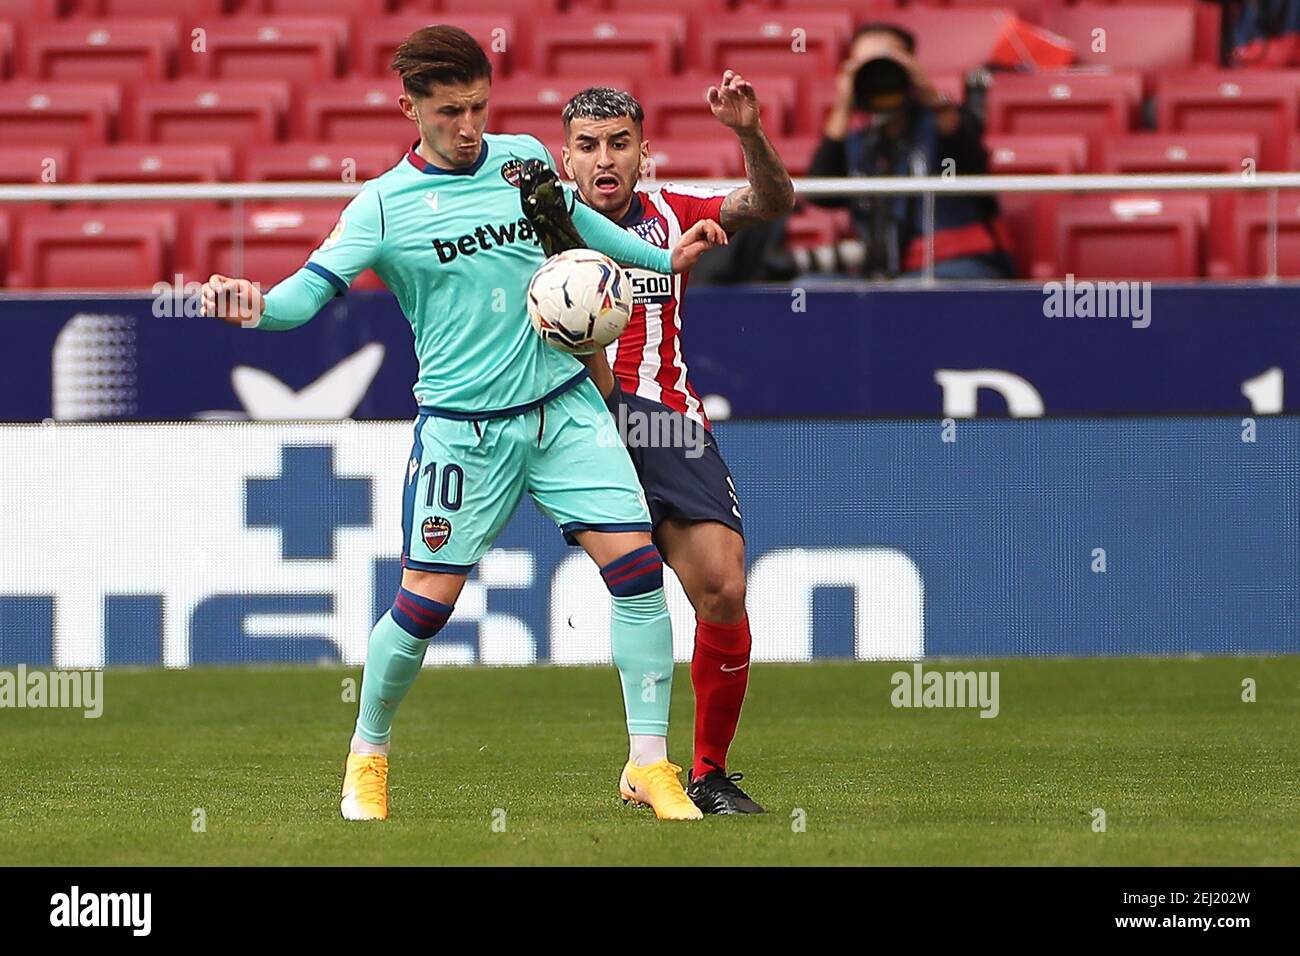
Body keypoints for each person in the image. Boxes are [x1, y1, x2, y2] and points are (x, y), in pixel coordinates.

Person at [199, 25, 726, 822]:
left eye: (479, 105)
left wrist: (663, 259)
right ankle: (367, 755)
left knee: (639, 573)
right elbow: (305, 295)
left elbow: (584, 228)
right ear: (409, 107)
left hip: (563, 409)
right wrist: (258, 308)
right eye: (449, 111)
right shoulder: (381, 207)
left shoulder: (520, 160)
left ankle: (648, 765)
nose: (469, 125)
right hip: (463, 431)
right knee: (423, 607)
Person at [558, 75, 794, 813]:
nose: (606, 159)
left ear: (643, 153)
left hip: (664, 420)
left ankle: (708, 772)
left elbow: (770, 203)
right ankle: (370, 755)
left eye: (620, 144)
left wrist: (749, 134)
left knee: (721, 586)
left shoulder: (670, 213)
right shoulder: (535, 227)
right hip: (572, 422)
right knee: (437, 582)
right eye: (589, 146)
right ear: (566, 160)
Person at [811, 22, 1014, 279]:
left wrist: (926, 91)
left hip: (959, 265)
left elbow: (970, 156)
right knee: (810, 285)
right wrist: (844, 104)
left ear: (912, 66)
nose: (878, 72)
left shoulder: (944, 123)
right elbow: (821, 195)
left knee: (905, 296)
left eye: (887, 61)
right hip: (885, 274)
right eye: (865, 64)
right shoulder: (859, 142)